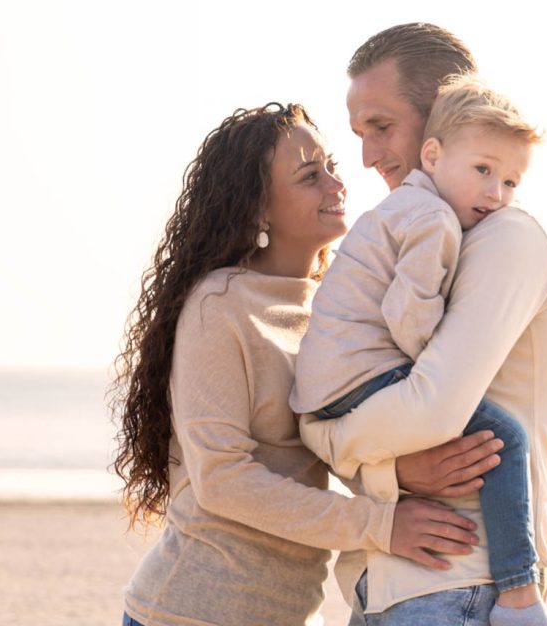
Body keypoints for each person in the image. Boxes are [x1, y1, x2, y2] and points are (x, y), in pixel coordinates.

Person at [110, 102, 490, 626]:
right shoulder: (219, 304)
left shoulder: (332, 304)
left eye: (330, 166)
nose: (337, 184)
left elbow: (332, 435)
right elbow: (223, 479)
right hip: (191, 611)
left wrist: (394, 470)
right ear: (257, 210)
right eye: (311, 176)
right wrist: (381, 524)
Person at [300, 24, 547, 626]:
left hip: (466, 583)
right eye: (360, 134)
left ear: (441, 118)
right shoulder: (421, 234)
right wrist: (386, 468)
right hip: (394, 582)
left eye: (381, 126)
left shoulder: (508, 238)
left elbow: (429, 412)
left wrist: (335, 441)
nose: (368, 156)